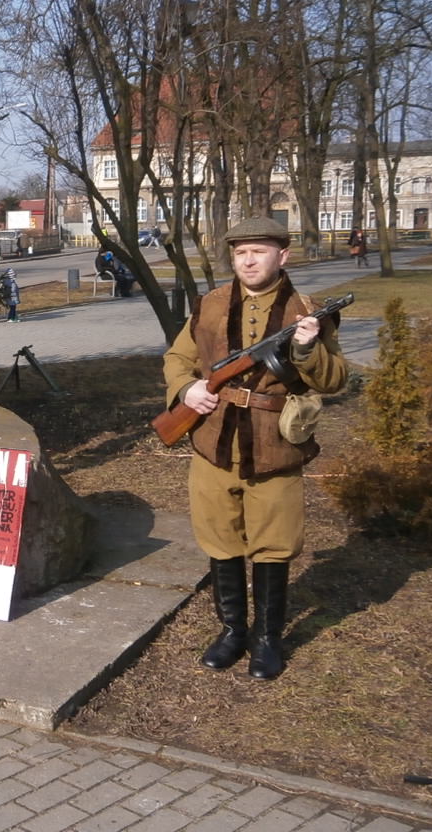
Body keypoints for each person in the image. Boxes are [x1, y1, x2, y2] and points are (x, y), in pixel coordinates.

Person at [162, 216, 347, 680]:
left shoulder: (308, 311)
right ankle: (232, 632)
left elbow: (335, 380)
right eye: (241, 252)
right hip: (212, 439)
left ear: (282, 256)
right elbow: (177, 358)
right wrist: (186, 391)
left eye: (259, 251)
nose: (248, 260)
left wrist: (307, 348)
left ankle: (267, 640)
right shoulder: (209, 303)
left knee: (273, 544)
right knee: (219, 537)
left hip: (275, 444)